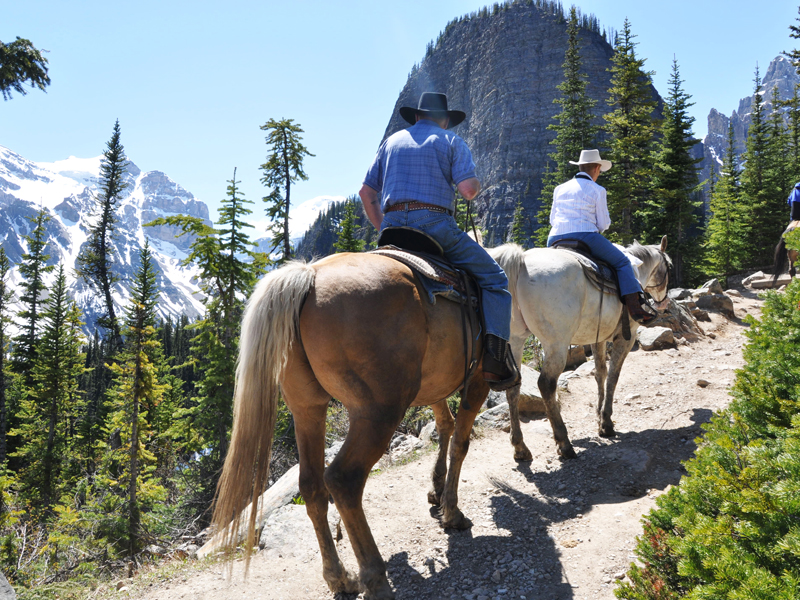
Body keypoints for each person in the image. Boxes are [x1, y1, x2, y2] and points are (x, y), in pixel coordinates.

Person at [359, 92, 520, 391]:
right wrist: (473, 182)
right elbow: (469, 191)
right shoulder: (450, 141)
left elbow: (367, 195)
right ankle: (496, 361)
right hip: (435, 226)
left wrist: (385, 228)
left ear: (417, 116)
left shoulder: (391, 142)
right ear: (444, 120)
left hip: (392, 229)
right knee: (495, 280)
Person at [546, 149, 656, 324]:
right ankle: (635, 309)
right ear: (597, 168)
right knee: (622, 262)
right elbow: (603, 224)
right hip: (585, 236)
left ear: (581, 166)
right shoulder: (597, 190)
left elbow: (553, 219)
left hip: (555, 238)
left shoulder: (559, 188)